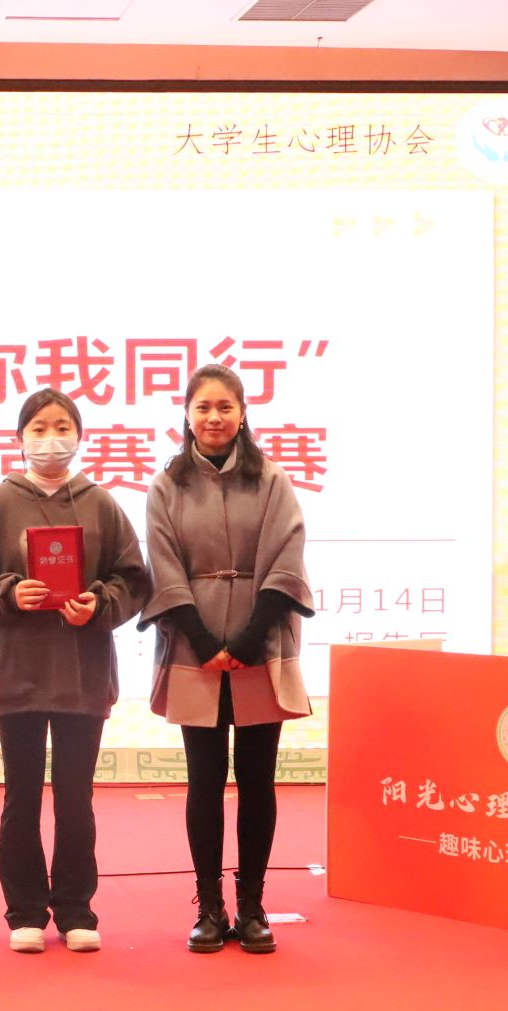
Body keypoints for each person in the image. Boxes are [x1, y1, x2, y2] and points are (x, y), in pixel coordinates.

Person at [0, 388, 151, 954]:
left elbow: (134, 580)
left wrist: (99, 604)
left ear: (79, 436)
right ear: (20, 438)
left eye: (62, 427)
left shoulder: (101, 504)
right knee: (21, 797)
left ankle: (76, 909)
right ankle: (25, 912)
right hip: (15, 672)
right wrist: (10, 593)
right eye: (38, 428)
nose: (50, 438)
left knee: (75, 798)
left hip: (81, 673)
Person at [138, 364, 314, 954]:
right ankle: (210, 909)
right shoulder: (167, 485)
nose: (213, 417)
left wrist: (247, 640)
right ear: (186, 415)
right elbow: (163, 564)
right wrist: (202, 638)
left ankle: (253, 906)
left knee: (258, 779)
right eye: (203, 407)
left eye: (224, 407)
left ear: (242, 413)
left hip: (262, 646)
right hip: (194, 648)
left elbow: (287, 557)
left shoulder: (272, 479)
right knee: (204, 780)